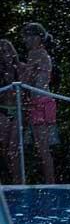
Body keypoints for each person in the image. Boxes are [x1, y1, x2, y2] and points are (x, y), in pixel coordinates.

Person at [19, 23, 56, 184]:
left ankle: (50, 183)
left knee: (42, 149)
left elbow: (26, 80)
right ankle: (50, 181)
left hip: (38, 102)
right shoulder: (43, 54)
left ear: (37, 38)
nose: (25, 40)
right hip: (46, 100)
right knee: (43, 148)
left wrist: (18, 68)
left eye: (28, 36)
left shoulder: (35, 53)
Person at [0, 40, 21, 183]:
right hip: (2, 111)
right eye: (1, 52)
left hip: (17, 111)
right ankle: (10, 179)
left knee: (13, 150)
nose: (5, 54)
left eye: (7, 51)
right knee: (5, 149)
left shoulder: (20, 68)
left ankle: (18, 180)